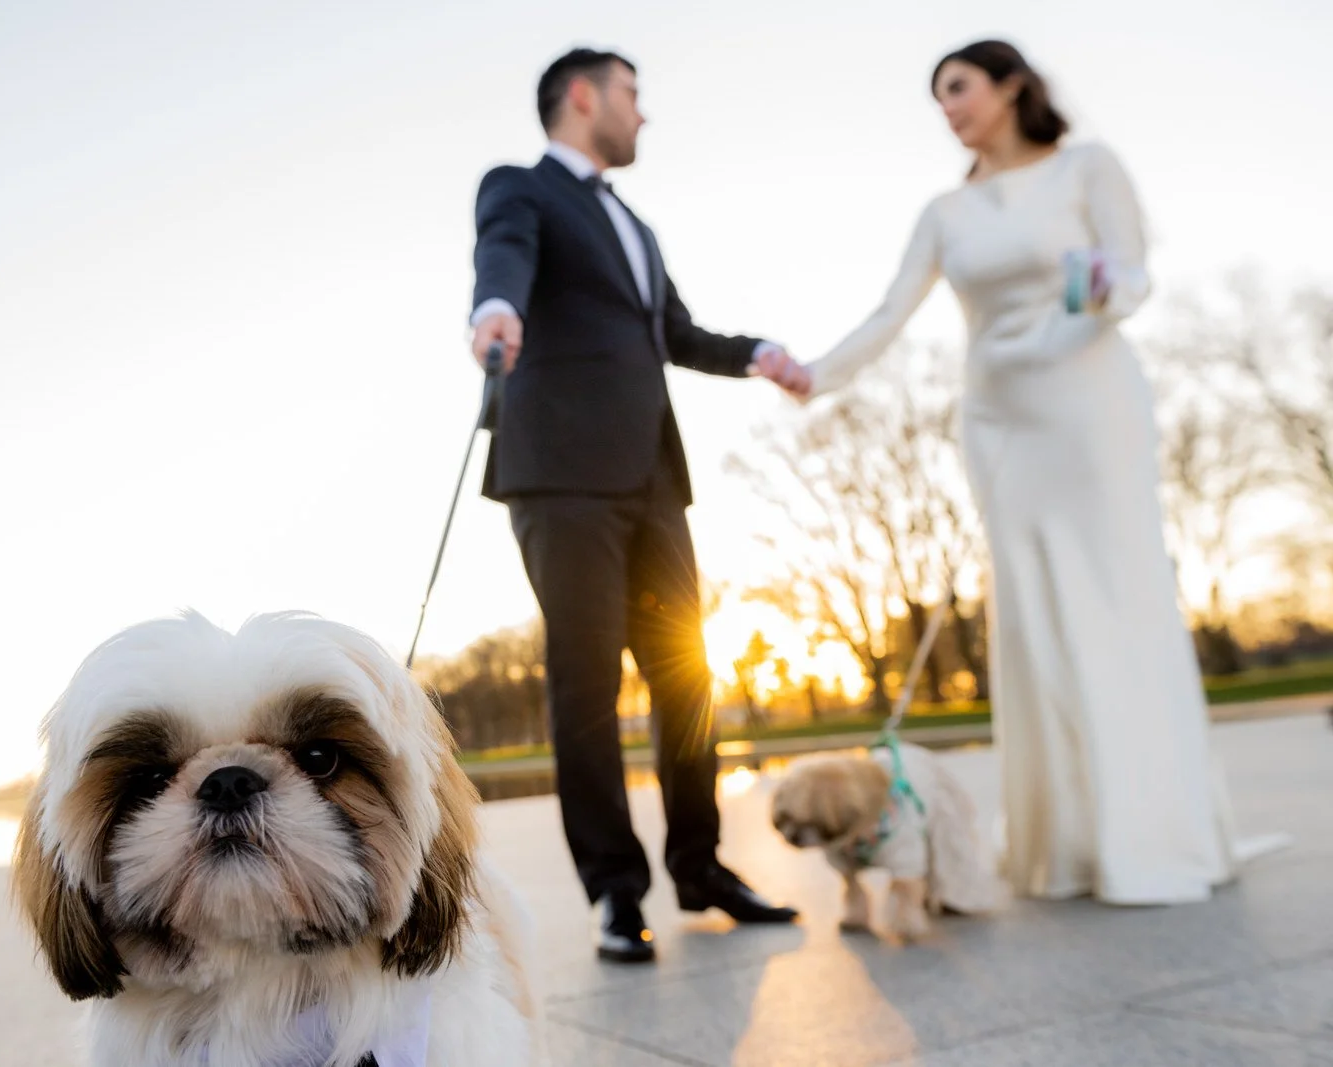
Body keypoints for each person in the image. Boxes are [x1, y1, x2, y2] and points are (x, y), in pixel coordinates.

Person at [796, 40, 1284, 904]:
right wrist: (816, 372)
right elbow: (890, 308)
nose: (948, 109)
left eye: (958, 89)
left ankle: (1149, 835)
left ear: (1011, 84)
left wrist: (1105, 288)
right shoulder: (946, 211)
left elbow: (1133, 272)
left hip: (1088, 401)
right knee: (1033, 620)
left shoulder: (1088, 167)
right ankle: (1063, 846)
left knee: (1115, 599)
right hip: (997, 416)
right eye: (937, 99)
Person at [468, 47, 806, 962]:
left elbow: (677, 335)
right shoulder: (521, 187)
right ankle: (616, 894)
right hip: (563, 476)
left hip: (653, 480)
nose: (642, 114)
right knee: (586, 685)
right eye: (631, 94)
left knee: (687, 675)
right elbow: (503, 252)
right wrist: (494, 307)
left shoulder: (636, 227)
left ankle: (701, 870)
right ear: (583, 97)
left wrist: (760, 353)